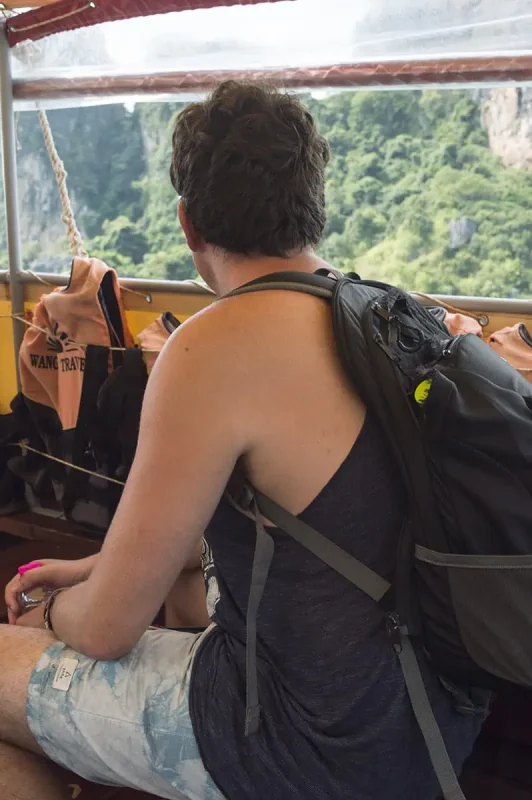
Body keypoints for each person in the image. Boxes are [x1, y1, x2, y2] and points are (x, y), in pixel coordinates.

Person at [0, 81, 483, 800]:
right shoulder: (397, 315)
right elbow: (313, 519)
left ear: (188, 224)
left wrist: (48, 615)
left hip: (305, 749)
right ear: (314, 206)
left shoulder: (211, 347)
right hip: (428, 721)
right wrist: (96, 566)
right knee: (190, 589)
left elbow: (104, 631)